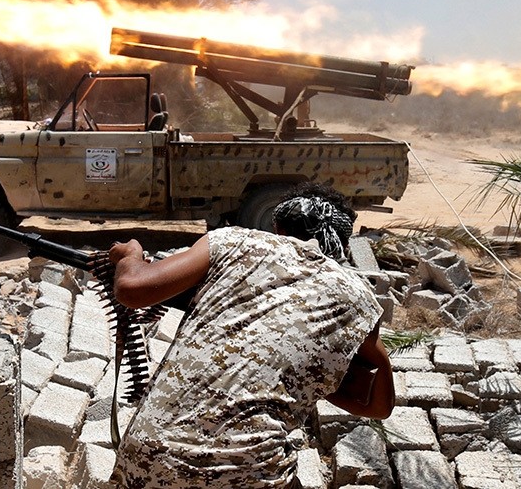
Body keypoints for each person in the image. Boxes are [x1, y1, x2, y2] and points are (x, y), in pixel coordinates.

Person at [108, 183, 395, 488]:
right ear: (342, 243)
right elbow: (378, 406)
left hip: (147, 459)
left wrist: (130, 254)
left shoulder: (235, 241)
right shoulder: (355, 296)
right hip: (248, 474)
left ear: (278, 226)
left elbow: (132, 288)